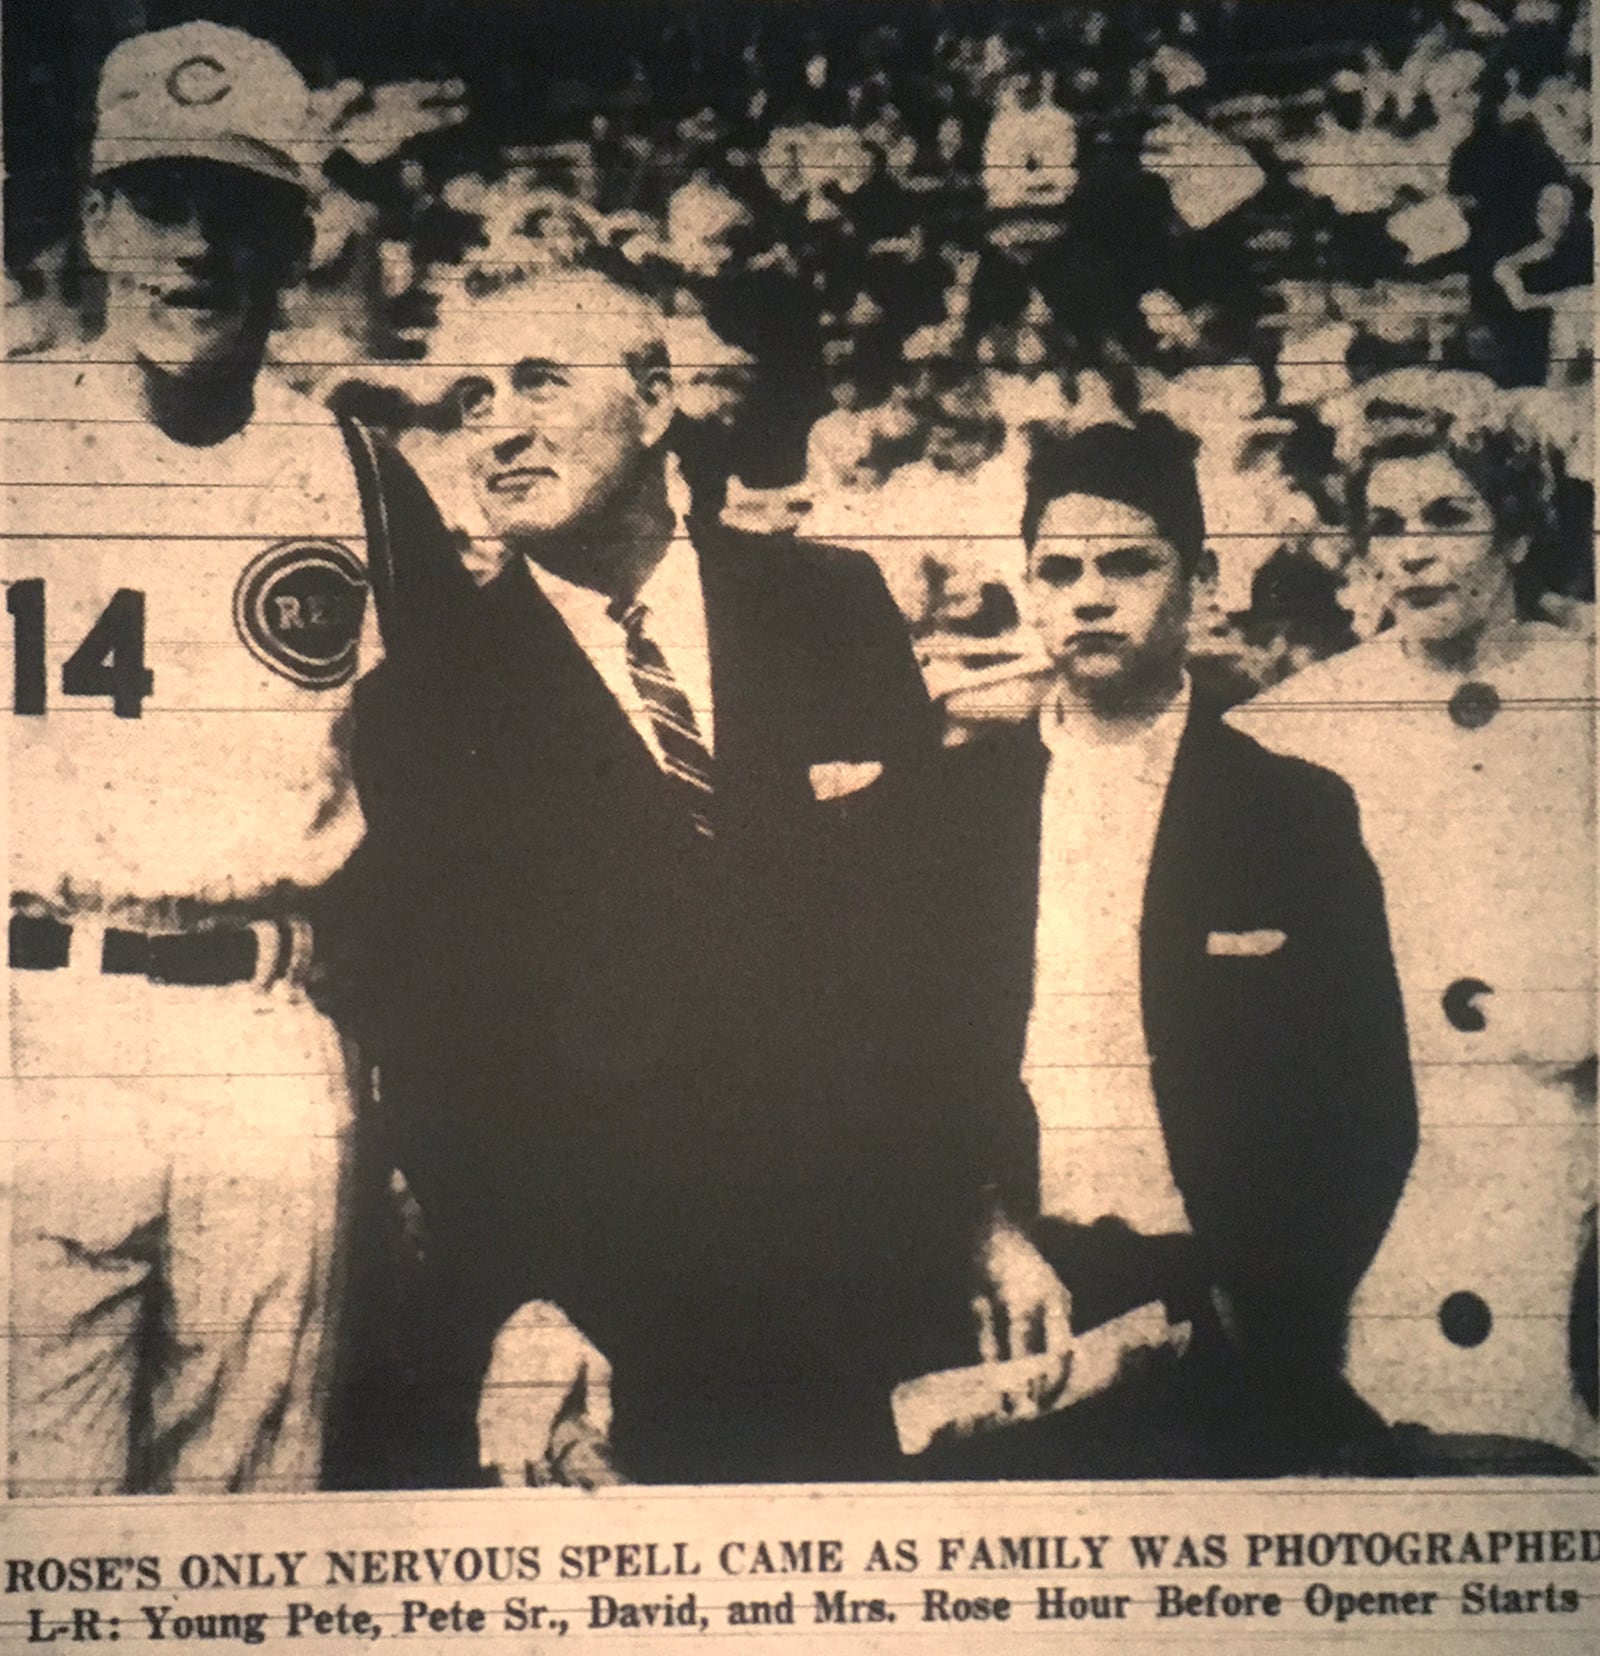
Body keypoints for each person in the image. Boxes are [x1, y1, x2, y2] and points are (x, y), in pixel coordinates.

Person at [342, 244, 1053, 1486]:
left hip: (872, 1287)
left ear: (658, 397)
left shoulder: (830, 604)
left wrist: (985, 1212)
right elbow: (444, 1045)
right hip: (614, 1325)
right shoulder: (428, 697)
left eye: (539, 382)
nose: (498, 429)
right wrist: (523, 1300)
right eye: (471, 402)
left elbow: (935, 956)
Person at [4, 23, 460, 1495]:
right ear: (92, 222)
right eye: (156, 202)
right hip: (36, 1014)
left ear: (299, 238)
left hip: (267, 1028)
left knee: (249, 1519)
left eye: (242, 210)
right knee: (38, 1523)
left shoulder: (360, 475)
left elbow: (447, 799)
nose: (195, 249)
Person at [925, 416, 1417, 1476]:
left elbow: (1369, 1105)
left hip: (1219, 1314)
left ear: (1199, 576)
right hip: (1007, 1303)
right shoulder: (953, 811)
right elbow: (896, 1069)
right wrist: (985, 1238)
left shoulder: (1288, 809)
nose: (1088, 596)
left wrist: (1268, 1310)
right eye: (1056, 571)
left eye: (1127, 565)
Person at [1231, 396, 1598, 1468]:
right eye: (1386, 526)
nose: (1412, 554)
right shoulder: (1294, 725)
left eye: (1447, 516)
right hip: (1386, 1178)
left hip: (1566, 1163)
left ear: (1518, 531)